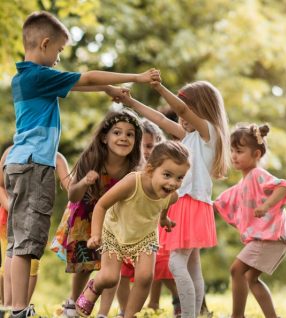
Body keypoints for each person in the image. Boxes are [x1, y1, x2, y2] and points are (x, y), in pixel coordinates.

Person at [5, 10, 159, 317]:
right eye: (59, 51)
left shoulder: (23, 78)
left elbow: (80, 84)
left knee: (15, 242)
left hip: (18, 164)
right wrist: (136, 77)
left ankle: (11, 305)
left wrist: (106, 90)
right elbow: (86, 78)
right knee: (28, 243)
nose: (60, 58)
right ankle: (20, 309)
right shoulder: (38, 75)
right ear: (45, 44)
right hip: (35, 166)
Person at [119, 79, 230, 317]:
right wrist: (129, 102)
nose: (181, 117)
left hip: (191, 203)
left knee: (175, 264)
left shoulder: (209, 133)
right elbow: (160, 119)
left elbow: (180, 109)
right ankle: (195, 314)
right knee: (192, 266)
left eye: (187, 109)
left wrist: (158, 87)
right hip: (185, 204)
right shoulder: (189, 136)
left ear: (201, 109)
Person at [75, 141, 191, 318]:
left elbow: (165, 205)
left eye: (179, 178)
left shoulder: (171, 196)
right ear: (150, 170)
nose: (173, 183)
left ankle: (129, 315)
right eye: (167, 175)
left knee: (145, 277)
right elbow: (102, 205)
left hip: (145, 236)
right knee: (110, 277)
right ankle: (94, 287)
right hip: (115, 231)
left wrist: (163, 219)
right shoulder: (133, 182)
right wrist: (95, 234)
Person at [49, 109, 143, 318]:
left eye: (130, 134)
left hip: (115, 219)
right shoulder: (92, 158)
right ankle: (72, 303)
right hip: (85, 214)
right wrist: (84, 181)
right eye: (117, 132)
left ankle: (102, 312)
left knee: (112, 266)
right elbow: (73, 195)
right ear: (104, 137)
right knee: (85, 264)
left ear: (136, 141)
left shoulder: (135, 167)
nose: (123, 138)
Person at [214, 123, 286, 318]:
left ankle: (237, 316)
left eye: (239, 151)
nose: (233, 156)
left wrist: (266, 206)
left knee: (236, 270)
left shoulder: (257, 175)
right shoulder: (243, 182)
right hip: (270, 238)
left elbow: (283, 186)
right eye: (232, 151)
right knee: (250, 278)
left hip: (270, 237)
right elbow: (222, 201)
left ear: (256, 154)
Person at [115, 120, 182, 317]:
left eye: (150, 146)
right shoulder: (128, 169)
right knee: (123, 272)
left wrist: (164, 217)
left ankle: (176, 298)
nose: (145, 151)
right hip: (125, 228)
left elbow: (168, 198)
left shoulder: (162, 173)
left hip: (150, 228)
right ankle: (124, 309)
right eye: (141, 145)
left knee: (159, 267)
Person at [0, 146, 71, 317]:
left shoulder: (56, 157)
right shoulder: (11, 153)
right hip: (9, 221)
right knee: (10, 259)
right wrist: (11, 206)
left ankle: (20, 307)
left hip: (36, 219)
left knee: (32, 263)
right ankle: (10, 306)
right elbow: (0, 185)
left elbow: (70, 185)